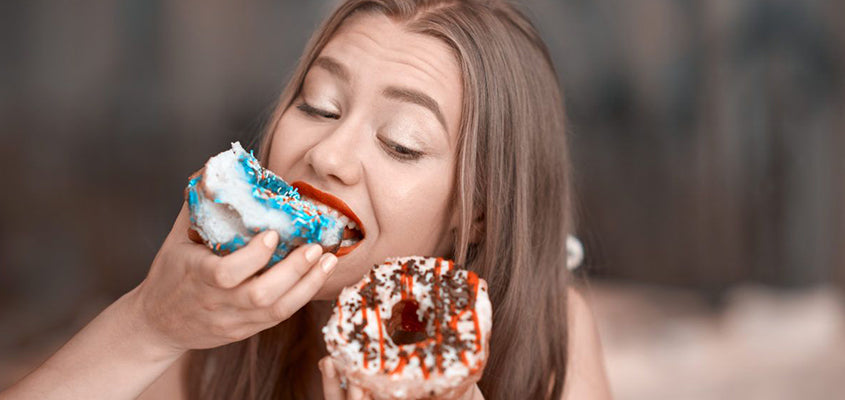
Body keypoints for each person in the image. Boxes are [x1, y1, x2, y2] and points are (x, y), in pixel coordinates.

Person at [1, 0, 611, 399]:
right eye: (318, 105)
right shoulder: (216, 324)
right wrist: (148, 325)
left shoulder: (552, 329)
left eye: (401, 144)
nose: (328, 156)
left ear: (476, 214)